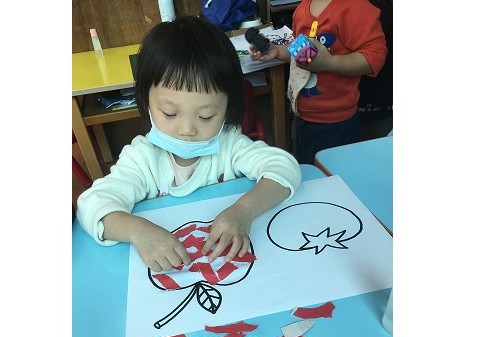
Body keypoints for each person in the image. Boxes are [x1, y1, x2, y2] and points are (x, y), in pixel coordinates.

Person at [77, 16, 301, 273]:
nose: (187, 130)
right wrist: (138, 231)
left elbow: (284, 167)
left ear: (227, 108)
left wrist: (244, 210)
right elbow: (92, 205)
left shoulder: (229, 145)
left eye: (206, 116)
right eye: (170, 113)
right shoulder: (142, 159)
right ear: (146, 102)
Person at [249, 0, 388, 164]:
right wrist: (277, 51)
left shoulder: (355, 7)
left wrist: (329, 63)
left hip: (337, 122)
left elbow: (375, 56)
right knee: (308, 170)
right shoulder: (303, 8)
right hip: (304, 117)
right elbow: (300, 50)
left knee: (332, 174)